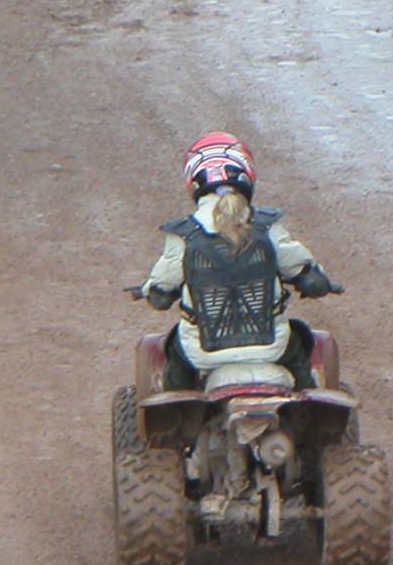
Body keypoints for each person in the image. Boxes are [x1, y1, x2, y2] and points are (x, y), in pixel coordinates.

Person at [136, 132, 340, 390]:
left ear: (194, 181)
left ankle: (177, 416)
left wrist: (151, 290)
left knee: (175, 349)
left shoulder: (183, 234)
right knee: (299, 340)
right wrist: (318, 281)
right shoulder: (268, 226)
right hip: (270, 348)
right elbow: (309, 278)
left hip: (202, 351)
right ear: (246, 174)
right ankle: (310, 408)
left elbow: (160, 293)